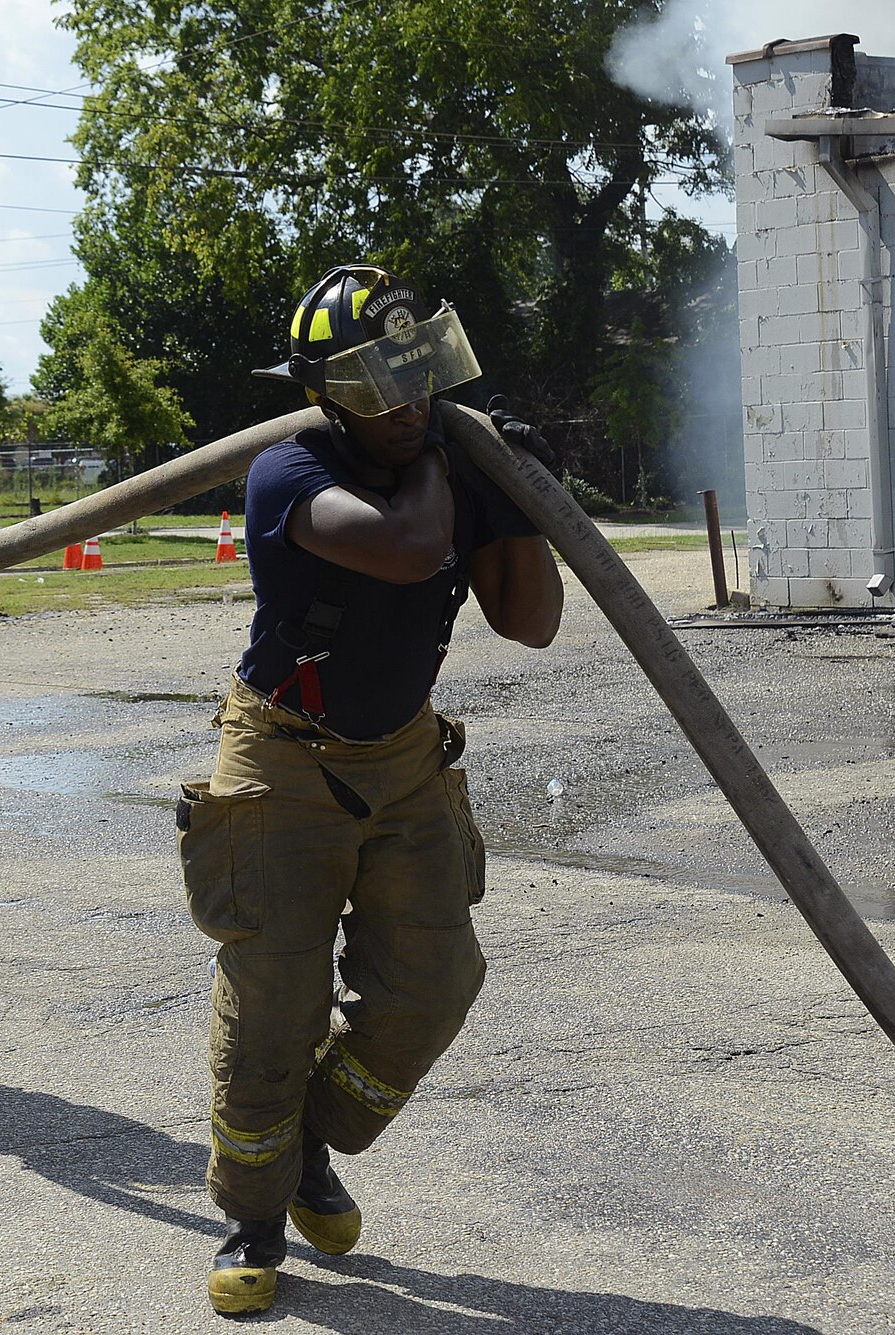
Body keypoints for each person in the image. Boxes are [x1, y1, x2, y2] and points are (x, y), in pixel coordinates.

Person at [184, 264, 563, 1315]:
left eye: (419, 374)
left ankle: (308, 1145)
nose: (403, 403)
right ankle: (252, 1218)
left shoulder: (451, 465)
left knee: (433, 987)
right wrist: (453, 452)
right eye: (374, 383)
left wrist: (521, 497)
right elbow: (402, 549)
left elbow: (527, 623)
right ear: (319, 391)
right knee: (273, 1006)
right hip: (280, 762)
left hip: (402, 760)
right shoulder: (286, 473)